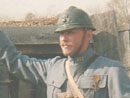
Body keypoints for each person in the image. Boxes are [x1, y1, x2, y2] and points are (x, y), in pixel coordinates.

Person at [0, 6, 130, 98]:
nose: (63, 38)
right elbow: (16, 61)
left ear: (88, 35)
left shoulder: (112, 70)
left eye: (70, 32)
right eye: (61, 33)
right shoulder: (52, 68)